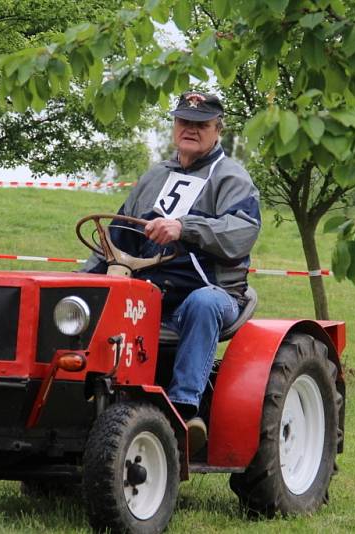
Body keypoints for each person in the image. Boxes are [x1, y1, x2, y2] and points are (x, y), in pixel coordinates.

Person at [83, 91, 261, 453]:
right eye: (184, 122)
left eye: (201, 124)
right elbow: (118, 236)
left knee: (204, 302)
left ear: (218, 130)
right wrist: (84, 281)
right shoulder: (154, 177)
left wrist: (186, 227)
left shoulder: (231, 178)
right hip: (149, 293)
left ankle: (183, 410)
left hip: (213, 292)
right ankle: (83, 402)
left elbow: (241, 233)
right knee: (88, 299)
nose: (190, 130)